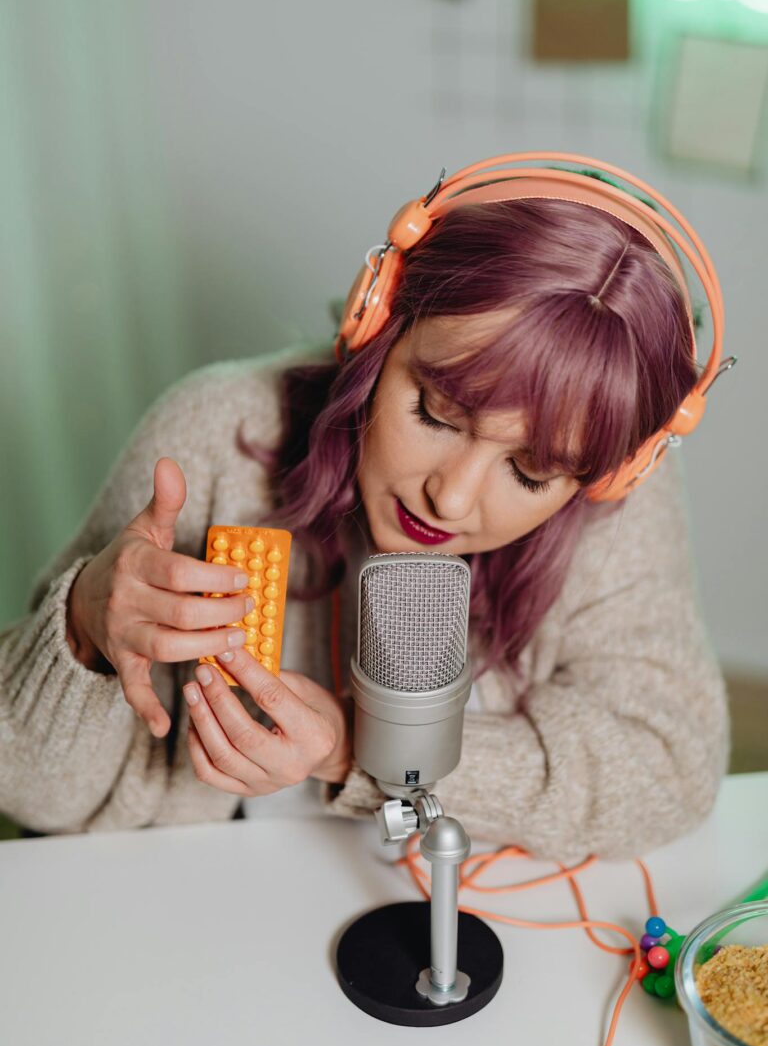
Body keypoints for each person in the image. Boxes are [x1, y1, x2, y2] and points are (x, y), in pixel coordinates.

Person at [0, 154, 729, 863]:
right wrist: (85, 628)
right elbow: (32, 794)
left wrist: (362, 746)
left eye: (529, 473)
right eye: (437, 414)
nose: (452, 495)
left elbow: (670, 764)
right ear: (375, 324)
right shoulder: (214, 432)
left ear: (612, 475)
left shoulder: (611, 493)